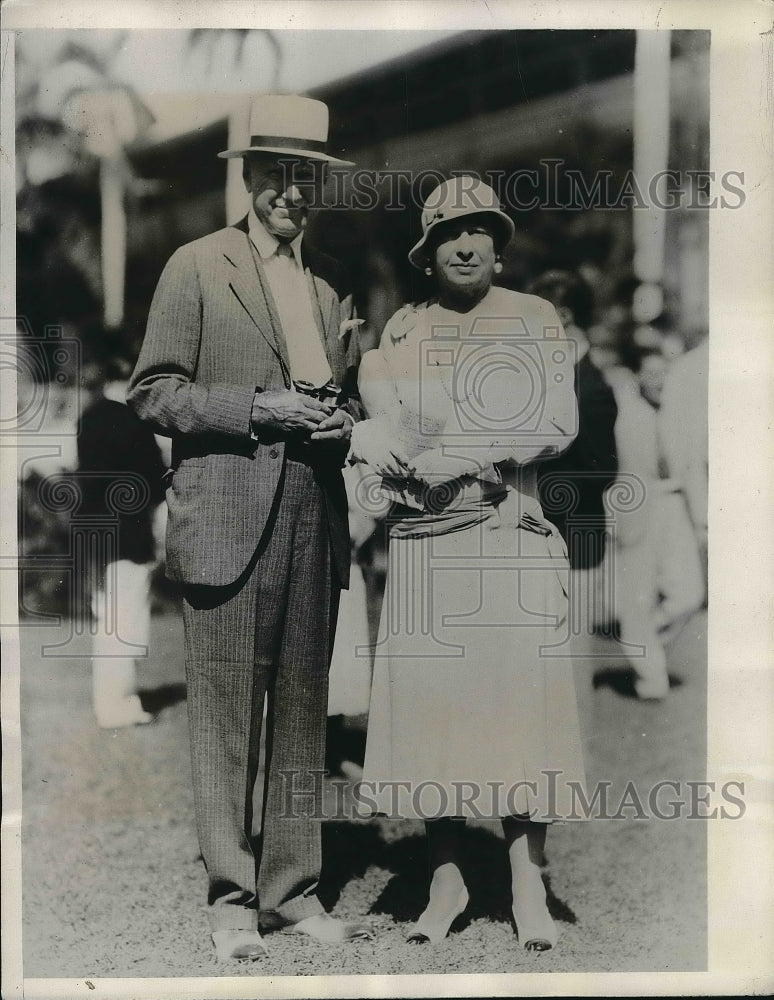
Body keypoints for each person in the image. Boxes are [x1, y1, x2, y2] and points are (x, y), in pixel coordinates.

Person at [127, 95, 370, 962]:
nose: (290, 192)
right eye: (275, 174)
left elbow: (341, 397)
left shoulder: (330, 281)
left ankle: (294, 891)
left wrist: (343, 420)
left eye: (305, 177)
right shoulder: (198, 266)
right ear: (248, 176)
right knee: (229, 717)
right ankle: (232, 896)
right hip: (229, 510)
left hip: (315, 512)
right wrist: (256, 408)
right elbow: (153, 391)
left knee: (304, 713)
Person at [350, 177, 586, 952]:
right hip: (427, 541)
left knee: (523, 704)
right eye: (449, 233)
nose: (465, 243)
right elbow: (390, 432)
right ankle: (445, 875)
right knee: (433, 706)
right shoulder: (406, 331)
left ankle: (527, 879)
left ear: (497, 241)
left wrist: (478, 451)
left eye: (479, 230)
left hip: (508, 529)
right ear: (427, 253)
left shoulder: (533, 317)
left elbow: (559, 419)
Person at [528, 270, 618, 638]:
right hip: (550, 538)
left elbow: (602, 472)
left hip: (574, 540)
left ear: (562, 317)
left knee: (571, 654)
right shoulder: (556, 377)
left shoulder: (590, 387)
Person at [77, 357, 166, 729]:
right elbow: (155, 475)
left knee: (107, 618)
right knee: (124, 619)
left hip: (93, 530)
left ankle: (110, 701)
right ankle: (120, 702)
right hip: (127, 532)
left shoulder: (89, 417)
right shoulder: (132, 420)